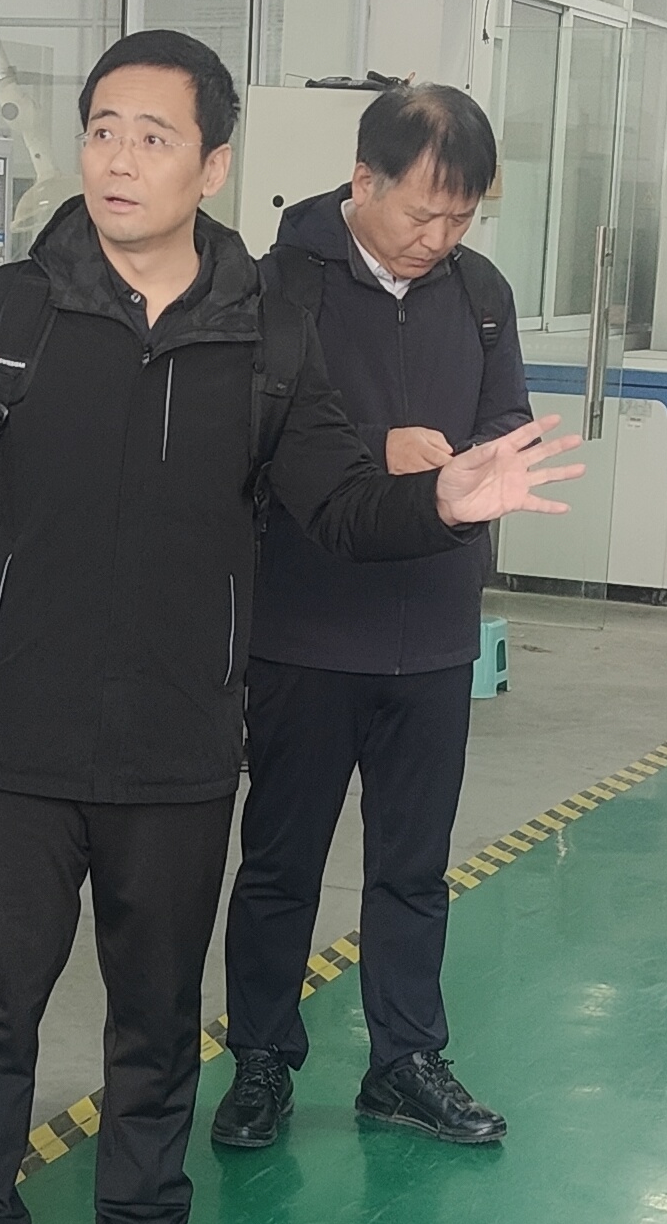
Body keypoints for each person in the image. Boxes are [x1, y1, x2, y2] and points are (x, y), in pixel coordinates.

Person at [0, 32, 582, 1224]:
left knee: (155, 1011)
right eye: (101, 129)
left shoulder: (266, 328)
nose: (118, 158)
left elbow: (334, 499)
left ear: (212, 164)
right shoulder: (8, 314)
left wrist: (441, 502)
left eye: (153, 136)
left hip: (181, 733)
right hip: (17, 732)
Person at [211, 81, 530, 1157]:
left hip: (432, 630)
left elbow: (506, 419)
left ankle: (405, 1062)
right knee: (281, 863)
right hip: (306, 629)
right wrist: (372, 454)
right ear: (364, 180)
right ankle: (262, 1058)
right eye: (422, 213)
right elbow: (240, 449)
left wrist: (480, 461)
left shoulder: (481, 294)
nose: (439, 239)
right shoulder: (278, 288)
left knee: (414, 865)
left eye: (461, 218)